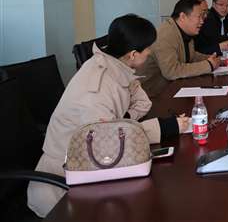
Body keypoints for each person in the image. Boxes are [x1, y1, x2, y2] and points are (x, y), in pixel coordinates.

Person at [27, 14, 191, 217]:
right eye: (148, 48)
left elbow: (142, 103)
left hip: (94, 167)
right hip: (64, 188)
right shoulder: (96, 89)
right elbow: (108, 142)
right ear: (133, 54)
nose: (150, 52)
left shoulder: (117, 65)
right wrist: (164, 127)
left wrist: (121, 122)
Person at [138, 0, 219, 98]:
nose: (202, 21)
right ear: (183, 16)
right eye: (199, 17)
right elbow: (171, 71)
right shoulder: (165, 35)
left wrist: (211, 58)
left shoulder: (184, 31)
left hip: (171, 89)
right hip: (151, 96)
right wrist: (208, 65)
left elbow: (191, 56)